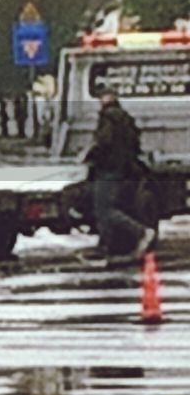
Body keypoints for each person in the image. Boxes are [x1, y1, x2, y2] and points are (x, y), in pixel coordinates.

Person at [85, 88, 155, 264]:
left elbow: (104, 142)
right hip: (124, 169)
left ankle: (141, 232)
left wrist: (90, 156)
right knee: (109, 209)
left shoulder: (108, 117)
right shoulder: (126, 118)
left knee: (105, 210)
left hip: (108, 168)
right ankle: (106, 247)